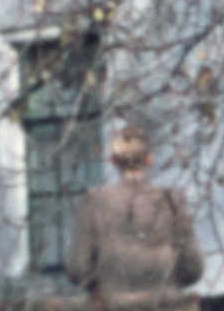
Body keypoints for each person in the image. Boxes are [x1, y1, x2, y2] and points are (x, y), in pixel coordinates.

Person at [71, 126, 200, 299]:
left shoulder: (94, 202)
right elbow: (193, 267)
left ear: (112, 160)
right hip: (164, 307)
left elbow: (79, 267)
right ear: (149, 159)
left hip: (113, 308)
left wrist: (102, 287)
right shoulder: (171, 201)